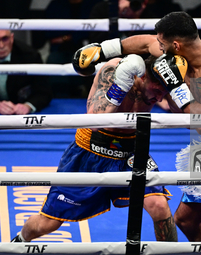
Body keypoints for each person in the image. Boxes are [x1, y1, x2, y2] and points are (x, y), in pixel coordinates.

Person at [71, 11, 201, 246]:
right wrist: (104, 50)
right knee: (185, 221)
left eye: (163, 44)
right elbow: (144, 42)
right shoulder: (174, 54)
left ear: (176, 44)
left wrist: (176, 86)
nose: (159, 49)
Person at [11, 54, 177, 242]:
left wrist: (176, 89)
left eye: (164, 92)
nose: (160, 97)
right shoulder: (114, 71)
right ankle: (21, 239)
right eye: (157, 91)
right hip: (92, 149)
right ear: (143, 77)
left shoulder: (163, 80)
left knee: (159, 205)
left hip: (131, 150)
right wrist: (120, 85)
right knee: (48, 223)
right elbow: (94, 119)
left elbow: (185, 118)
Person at [0, 30, 52, 115]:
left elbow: (44, 91)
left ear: (12, 38)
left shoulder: (30, 56)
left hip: (21, 112)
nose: (1, 45)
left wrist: (28, 106)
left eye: (5, 39)